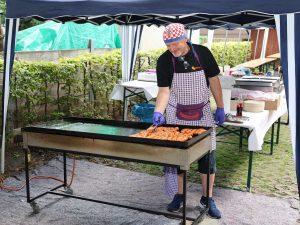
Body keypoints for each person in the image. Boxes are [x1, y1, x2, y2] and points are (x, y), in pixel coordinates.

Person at [153, 23, 225, 219]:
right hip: (176, 114)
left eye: (175, 44)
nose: (172, 49)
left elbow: (214, 81)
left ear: (185, 38)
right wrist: (159, 111)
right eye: (168, 46)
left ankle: (207, 198)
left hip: (202, 113)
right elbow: (164, 90)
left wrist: (220, 106)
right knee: (178, 158)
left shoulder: (202, 53)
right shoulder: (165, 61)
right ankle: (180, 194)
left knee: (207, 158)